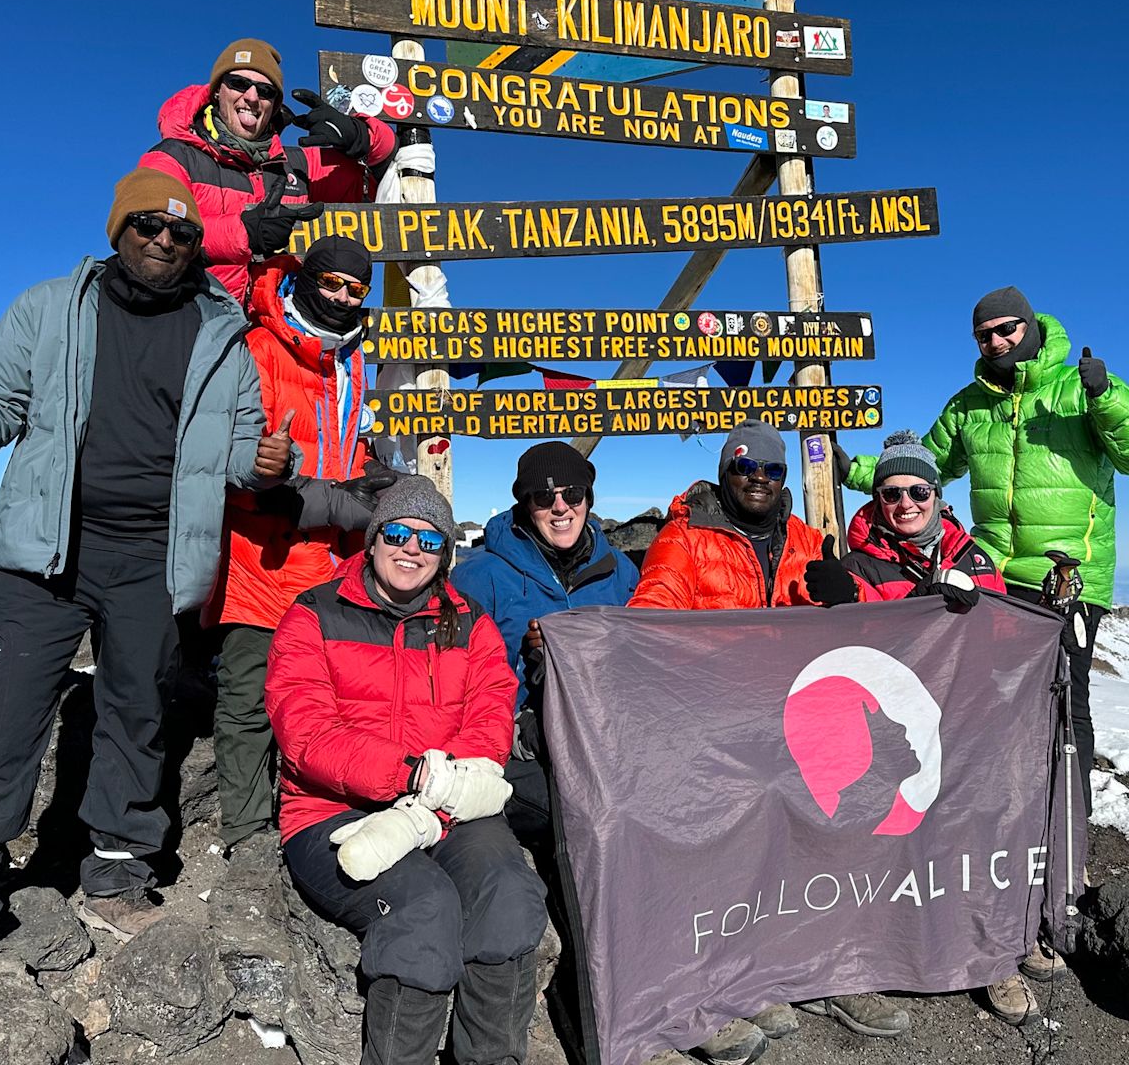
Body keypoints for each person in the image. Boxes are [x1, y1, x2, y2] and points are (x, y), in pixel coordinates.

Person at [0, 168, 294, 991]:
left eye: (180, 233)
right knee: (6, 715)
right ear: (117, 231)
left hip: (155, 561)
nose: (163, 242)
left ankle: (119, 876)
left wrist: (269, 466)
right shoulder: (49, 307)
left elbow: (241, 447)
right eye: (147, 228)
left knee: (136, 714)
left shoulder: (221, 331)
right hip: (47, 551)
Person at [631, 420, 908, 1058]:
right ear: (726, 471)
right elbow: (649, 620)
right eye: (745, 466)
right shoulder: (686, 539)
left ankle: (829, 965)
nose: (759, 478)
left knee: (838, 822)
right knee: (726, 837)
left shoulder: (807, 538)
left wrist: (844, 596)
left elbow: (859, 605)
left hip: (794, 720)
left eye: (773, 469)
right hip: (712, 726)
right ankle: (727, 980)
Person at [266, 476, 547, 1065]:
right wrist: (415, 776)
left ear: (445, 555)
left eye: (429, 541)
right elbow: (308, 736)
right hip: (331, 812)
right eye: (397, 533)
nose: (410, 549)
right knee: (423, 908)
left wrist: (451, 786)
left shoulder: (469, 623)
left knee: (511, 894)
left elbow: (491, 707)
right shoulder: (314, 615)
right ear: (371, 541)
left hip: (445, 805)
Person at [839, 287, 1129, 820]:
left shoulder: (1076, 389)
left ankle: (1070, 823)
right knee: (991, 696)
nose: (995, 341)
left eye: (1005, 329)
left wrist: (1106, 397)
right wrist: (853, 470)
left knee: (1069, 701)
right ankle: (1003, 814)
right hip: (990, 570)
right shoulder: (968, 404)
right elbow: (925, 467)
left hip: (1068, 578)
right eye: (984, 334)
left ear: (1031, 327)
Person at [806, 430, 1043, 1025]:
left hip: (967, 725)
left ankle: (992, 957)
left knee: (982, 833)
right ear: (877, 499)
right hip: (891, 734)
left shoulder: (974, 557)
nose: (905, 503)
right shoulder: (858, 561)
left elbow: (1007, 645)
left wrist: (976, 612)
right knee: (879, 835)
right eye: (891, 493)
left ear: (938, 494)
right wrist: (836, 604)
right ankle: (872, 954)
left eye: (918, 490)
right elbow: (841, 651)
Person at [206, 233, 396, 854]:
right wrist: (339, 497)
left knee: (328, 699)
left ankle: (315, 818)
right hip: (260, 559)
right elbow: (235, 471)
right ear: (306, 280)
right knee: (250, 701)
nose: (343, 297)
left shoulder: (353, 360)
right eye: (332, 283)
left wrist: (368, 476)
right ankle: (245, 835)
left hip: (329, 561)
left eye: (357, 288)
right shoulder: (259, 348)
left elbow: (346, 445)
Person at [452, 442, 638, 842]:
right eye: (543, 496)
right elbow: (454, 679)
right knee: (576, 815)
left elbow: (643, 658)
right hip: (520, 744)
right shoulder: (479, 576)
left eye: (573, 494)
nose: (560, 507)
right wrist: (519, 724)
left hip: (607, 733)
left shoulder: (620, 571)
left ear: (588, 498)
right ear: (524, 504)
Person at [140, 38, 396, 303]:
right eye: (238, 83)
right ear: (217, 90)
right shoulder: (173, 156)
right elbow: (149, 234)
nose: (251, 97)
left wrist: (364, 138)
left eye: (265, 91)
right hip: (190, 323)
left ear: (274, 104)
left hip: (274, 335)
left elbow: (385, 187)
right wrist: (243, 234)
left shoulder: (297, 165)